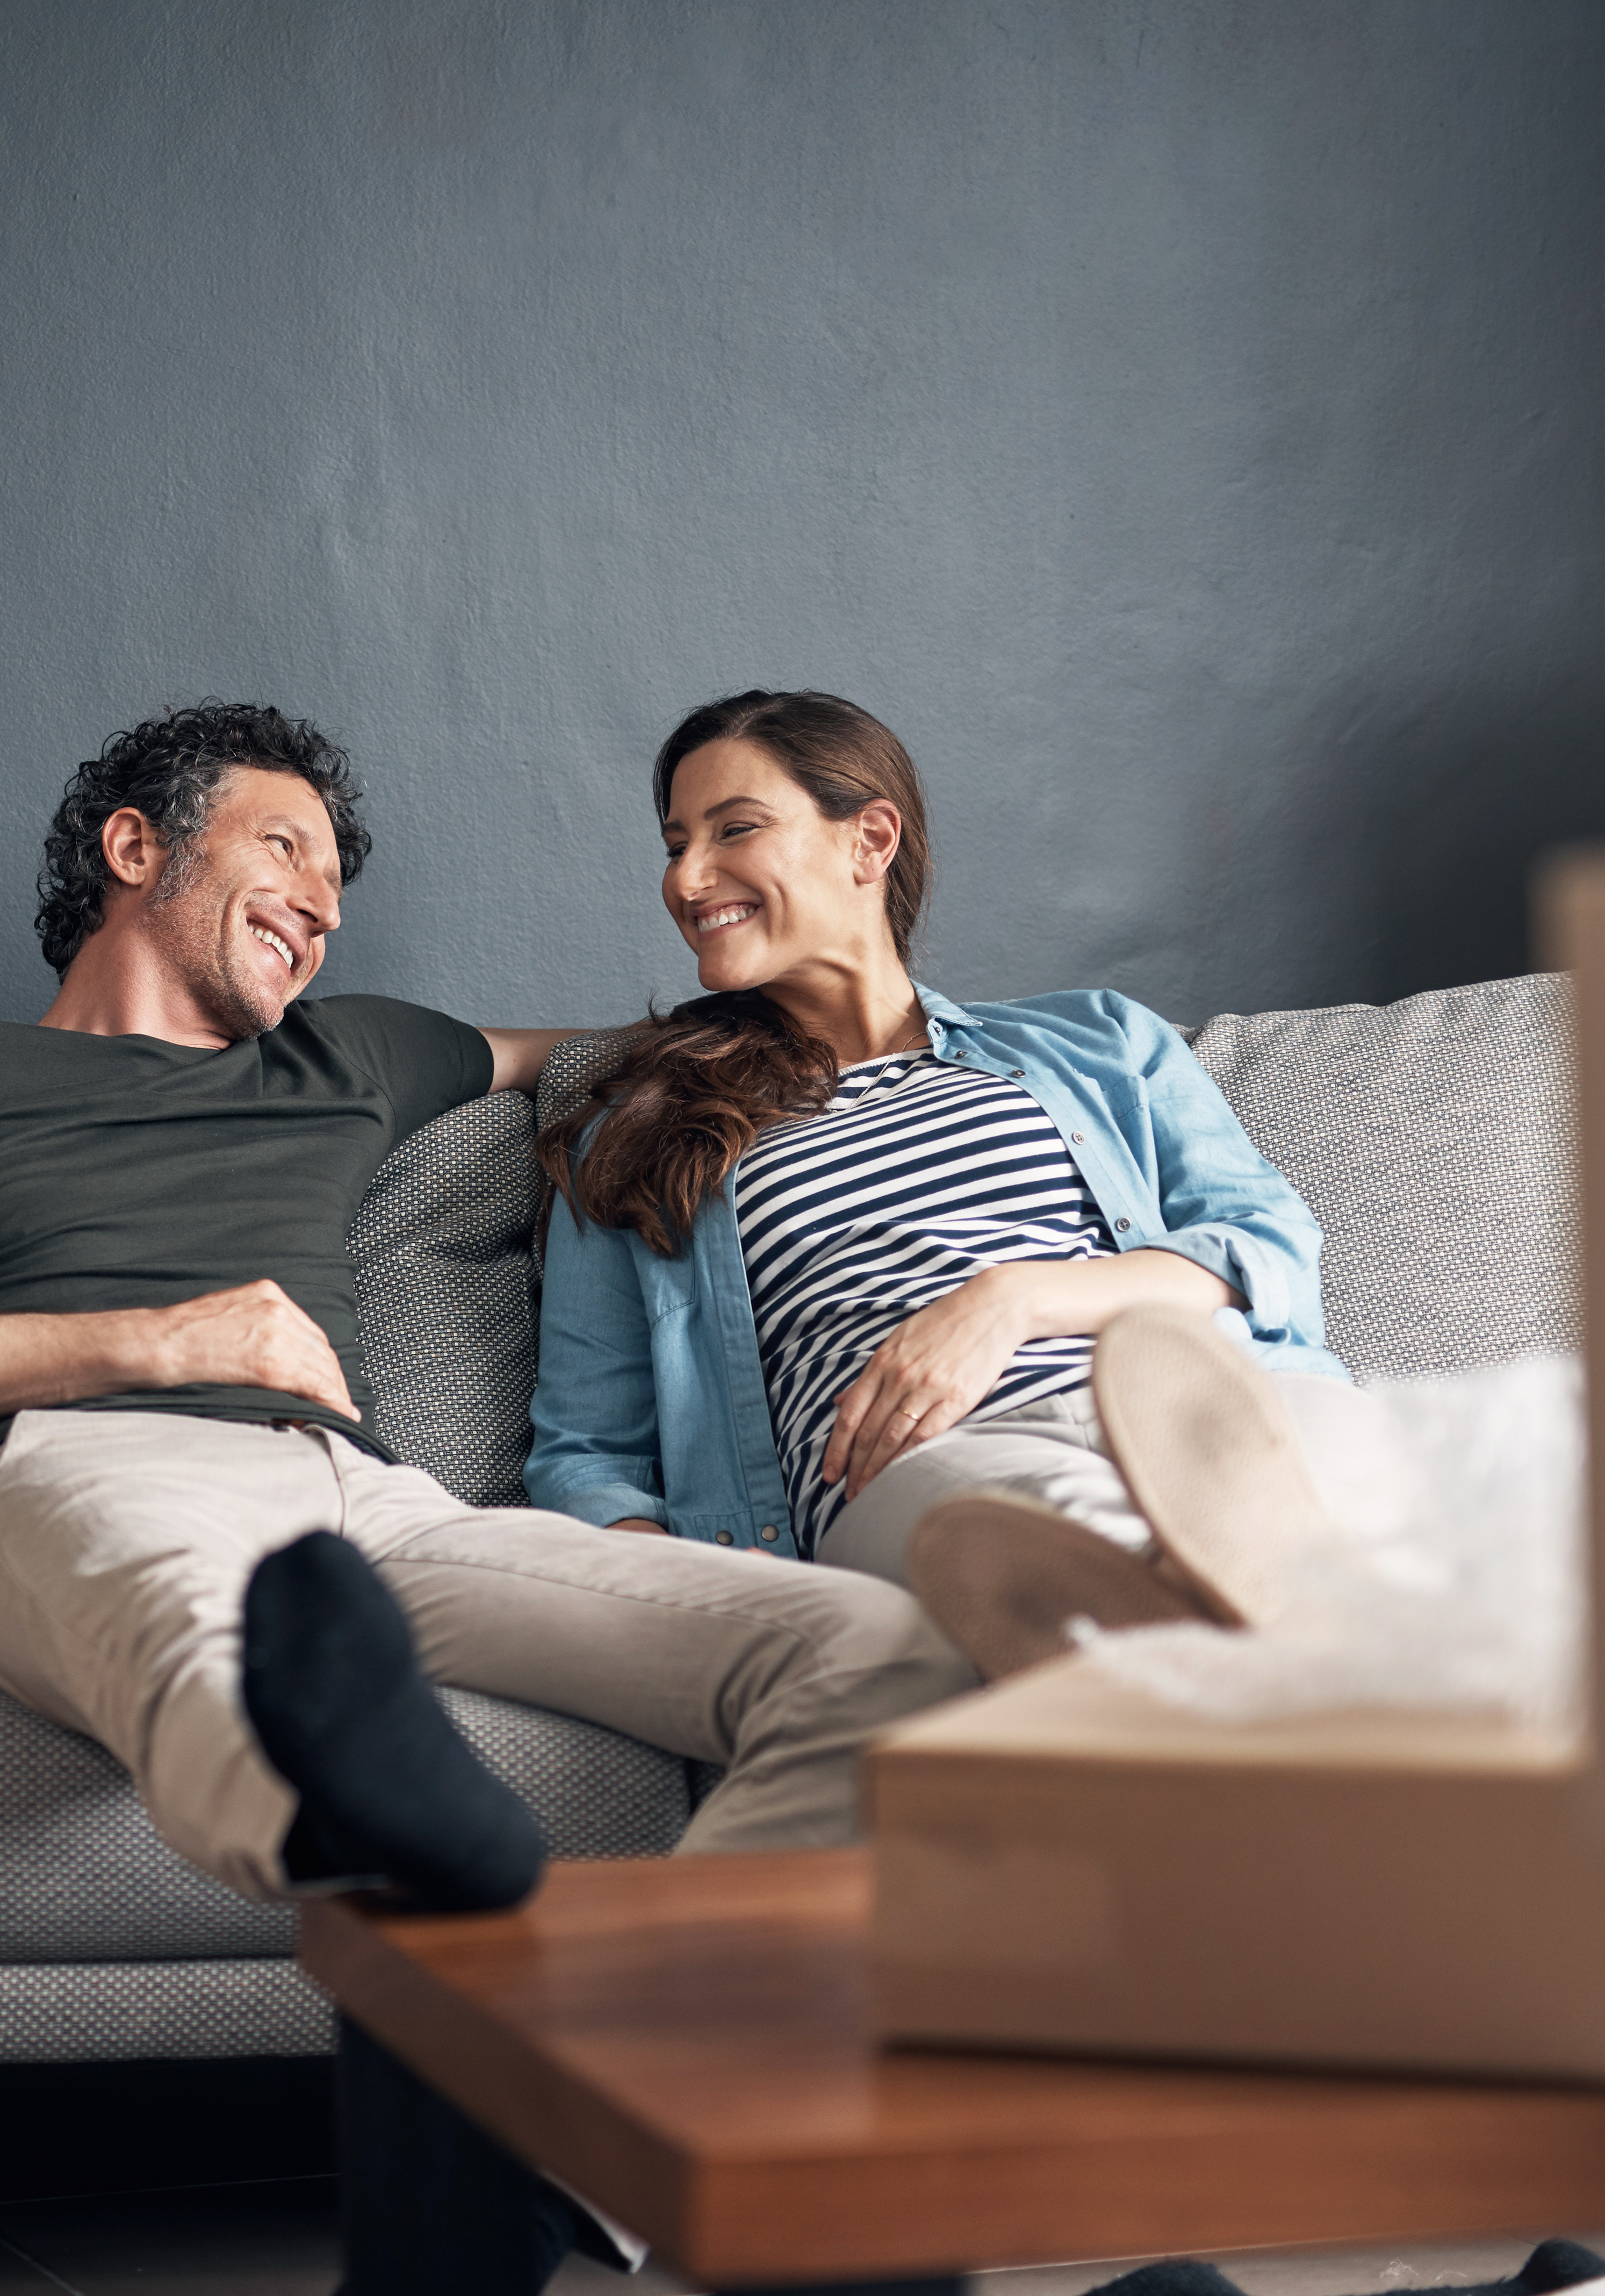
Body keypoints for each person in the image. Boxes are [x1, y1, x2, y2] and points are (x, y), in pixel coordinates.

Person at [0, 701, 978, 1928]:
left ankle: (643, 2041)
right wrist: (151, 1340)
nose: (318, 910)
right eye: (284, 849)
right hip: (73, 1466)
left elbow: (624, 1052)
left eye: (333, 895)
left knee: (868, 1652)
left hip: (374, 1500)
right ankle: (352, 1807)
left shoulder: (346, 1053)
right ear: (134, 845)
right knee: (204, 1643)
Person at [527, 689, 1391, 1675]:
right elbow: (588, 1455)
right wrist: (718, 1624)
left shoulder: (1097, 1039)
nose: (686, 877)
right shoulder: (640, 1132)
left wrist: (1011, 1299)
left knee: (1364, 1499)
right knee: (1077, 1554)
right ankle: (1238, 1651)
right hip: (948, 1467)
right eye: (675, 842)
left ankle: (1228, 1657)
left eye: (735, 830)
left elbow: (1264, 1244)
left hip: (1199, 1402)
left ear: (869, 841)